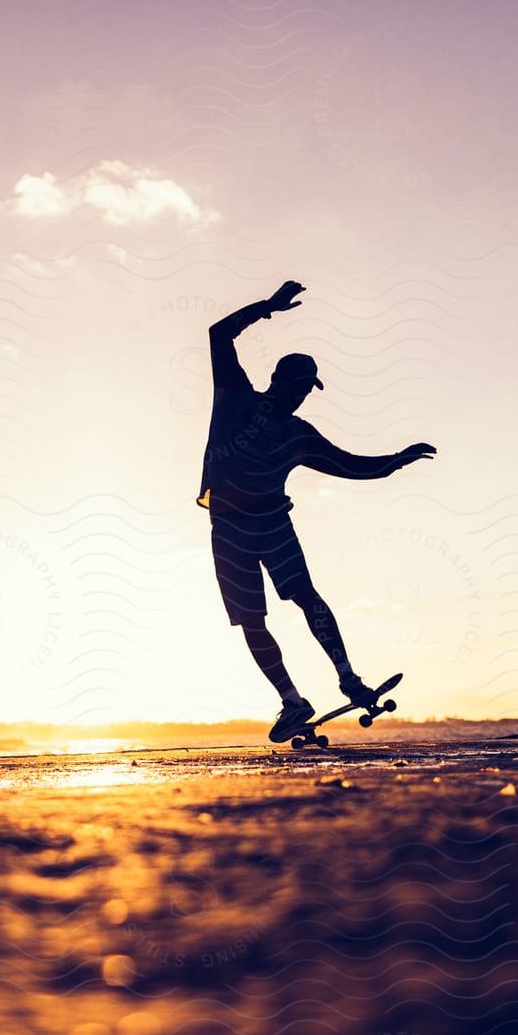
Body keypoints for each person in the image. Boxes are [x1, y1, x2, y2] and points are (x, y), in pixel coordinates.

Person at [197, 280, 437, 742]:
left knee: (305, 595)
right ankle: (292, 701)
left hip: (271, 521)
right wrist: (266, 308)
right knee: (251, 620)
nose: (303, 395)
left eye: (309, 389)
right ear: (280, 381)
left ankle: (347, 676)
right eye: (300, 386)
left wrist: (394, 462)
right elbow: (217, 335)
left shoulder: (300, 435)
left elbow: (350, 466)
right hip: (227, 524)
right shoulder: (236, 397)